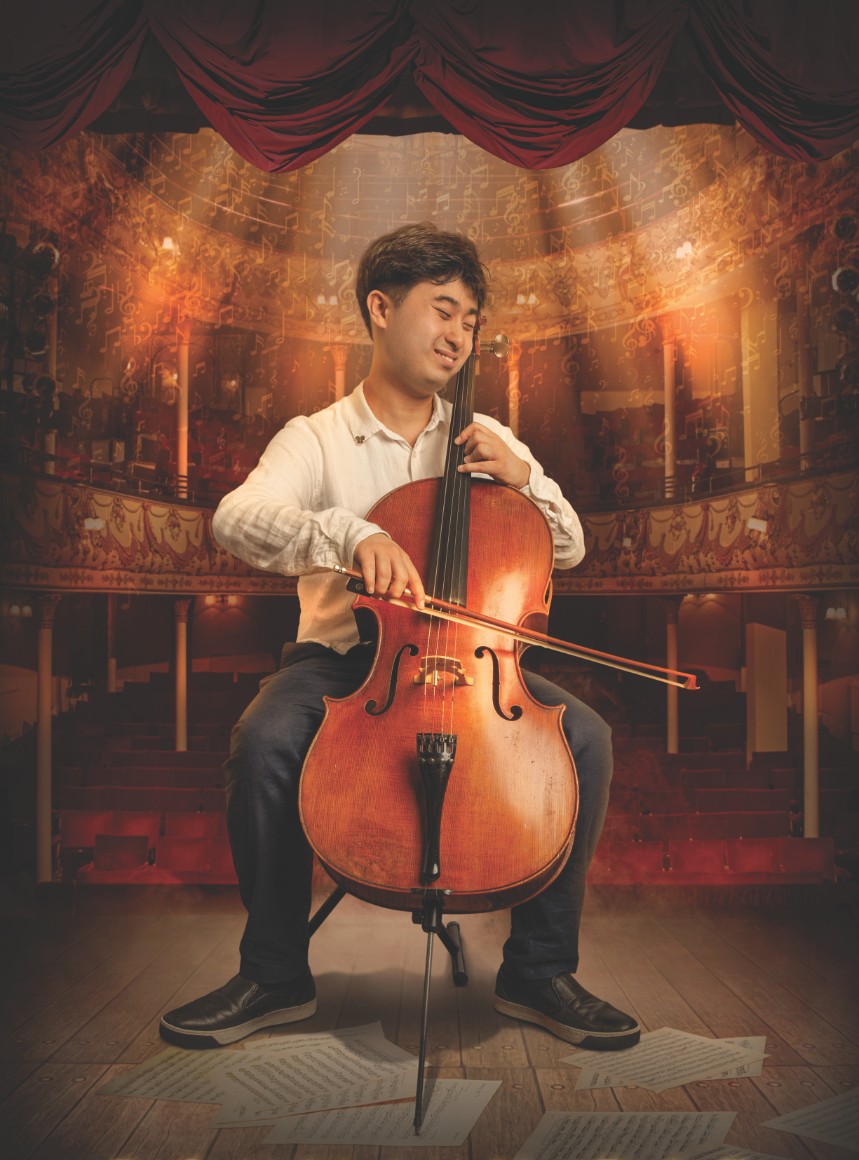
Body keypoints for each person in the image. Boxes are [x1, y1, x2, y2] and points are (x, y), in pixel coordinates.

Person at [160, 224, 640, 1053]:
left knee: (586, 738)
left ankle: (538, 967)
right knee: (266, 737)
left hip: (477, 666)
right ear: (380, 309)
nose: (458, 334)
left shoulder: (483, 437)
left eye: (470, 321)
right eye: (442, 310)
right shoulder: (314, 437)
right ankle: (273, 970)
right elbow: (236, 518)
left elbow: (566, 548)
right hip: (346, 661)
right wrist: (348, 535)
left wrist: (526, 481)